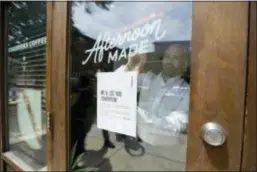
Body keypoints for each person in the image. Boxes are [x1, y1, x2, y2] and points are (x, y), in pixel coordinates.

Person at [115, 44, 190, 146]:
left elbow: (178, 124)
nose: (169, 60)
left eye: (175, 58)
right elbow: (115, 84)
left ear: (184, 64)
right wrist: (129, 67)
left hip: (163, 149)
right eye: (167, 56)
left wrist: (138, 114)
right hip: (137, 141)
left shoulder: (186, 91)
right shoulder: (148, 79)